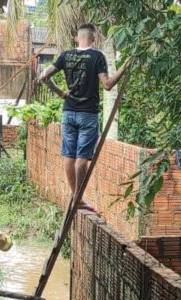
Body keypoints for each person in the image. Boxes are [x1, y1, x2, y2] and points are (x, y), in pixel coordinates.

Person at [38, 23, 129, 210]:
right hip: (88, 114)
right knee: (82, 160)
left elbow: (43, 77)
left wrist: (60, 93)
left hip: (68, 112)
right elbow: (108, 84)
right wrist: (124, 67)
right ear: (94, 38)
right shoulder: (97, 56)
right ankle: (78, 198)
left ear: (76, 38)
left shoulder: (65, 55)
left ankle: (75, 197)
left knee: (69, 156)